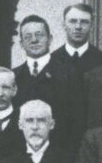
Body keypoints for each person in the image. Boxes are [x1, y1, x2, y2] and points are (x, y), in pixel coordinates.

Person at [14, 14, 80, 146]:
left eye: (39, 35)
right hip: (20, 152)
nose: (34, 40)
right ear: (21, 44)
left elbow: (76, 121)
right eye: (28, 37)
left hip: (59, 151)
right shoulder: (14, 76)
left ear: (50, 39)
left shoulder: (69, 74)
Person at [51, 3, 101, 132]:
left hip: (93, 136)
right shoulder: (50, 61)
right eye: (73, 21)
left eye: (84, 22)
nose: (78, 27)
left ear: (92, 25)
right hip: (58, 138)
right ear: (63, 24)